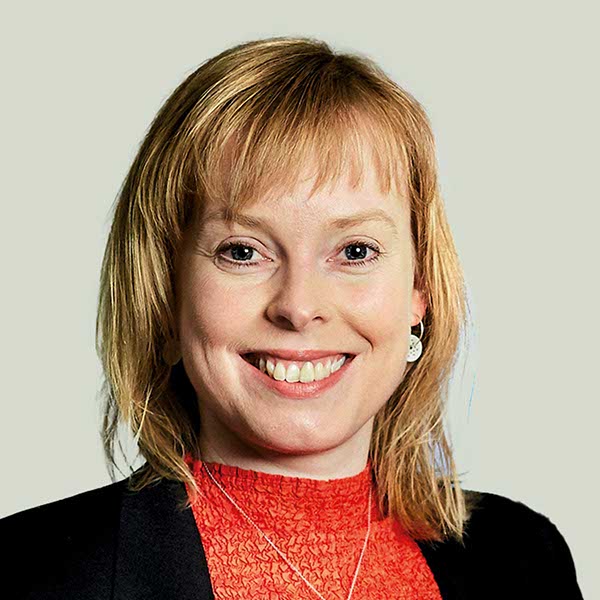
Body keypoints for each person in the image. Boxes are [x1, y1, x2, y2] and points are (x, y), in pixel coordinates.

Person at [1, 36, 583, 600]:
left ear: (418, 290)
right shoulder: (25, 574)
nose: (300, 307)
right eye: (242, 251)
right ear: (165, 294)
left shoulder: (525, 562)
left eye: (356, 251)